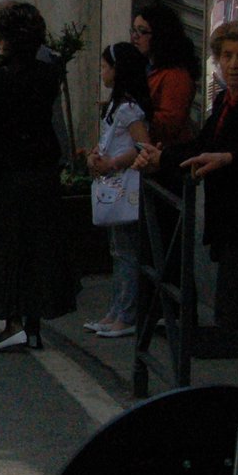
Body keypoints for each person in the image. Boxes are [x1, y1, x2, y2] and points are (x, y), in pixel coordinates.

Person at [0, 1, 79, 351]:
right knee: (36, 249)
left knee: (6, 249)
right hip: (42, 172)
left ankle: (13, 325)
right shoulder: (47, 71)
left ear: (4, 36)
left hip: (9, 175)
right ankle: (33, 325)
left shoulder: (3, 79)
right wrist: (1, 63)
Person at [133, 20, 238, 347]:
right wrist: (161, 157)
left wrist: (228, 159)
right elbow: (202, 144)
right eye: (228, 56)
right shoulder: (223, 101)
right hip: (227, 219)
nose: (234, 65)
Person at [83, 42, 152, 339]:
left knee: (127, 253)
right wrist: (94, 156)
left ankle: (127, 314)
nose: (101, 72)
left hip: (126, 183)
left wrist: (112, 162)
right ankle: (115, 311)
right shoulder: (116, 106)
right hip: (113, 182)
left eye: (104, 66)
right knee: (119, 252)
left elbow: (142, 144)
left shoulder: (129, 108)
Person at [130, 2, 200, 148]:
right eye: (134, 30)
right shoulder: (146, 66)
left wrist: (131, 114)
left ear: (160, 34)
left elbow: (170, 124)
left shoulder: (176, 76)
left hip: (164, 155)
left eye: (142, 32)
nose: (135, 37)